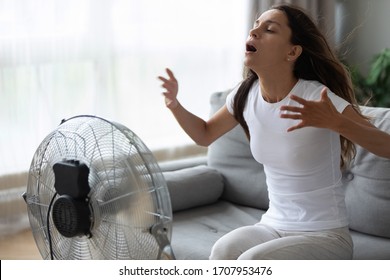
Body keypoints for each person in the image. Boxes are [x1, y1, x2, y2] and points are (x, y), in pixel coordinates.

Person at [158, 4, 390, 260]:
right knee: (222, 251)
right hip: (272, 226)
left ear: (292, 52)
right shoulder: (245, 95)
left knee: (252, 262)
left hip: (324, 235)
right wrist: (175, 105)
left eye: (269, 29)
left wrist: (336, 122)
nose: (254, 31)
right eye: (255, 26)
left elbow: (386, 146)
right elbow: (204, 134)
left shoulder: (315, 95)